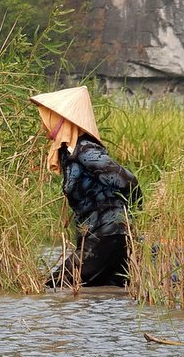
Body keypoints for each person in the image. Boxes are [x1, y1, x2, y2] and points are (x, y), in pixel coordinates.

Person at [30, 86, 141, 287]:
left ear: (61, 120)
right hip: (99, 236)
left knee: (56, 286)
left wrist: (132, 214)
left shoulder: (85, 151)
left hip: (108, 236)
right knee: (108, 292)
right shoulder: (68, 152)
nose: (45, 125)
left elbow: (127, 180)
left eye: (48, 118)